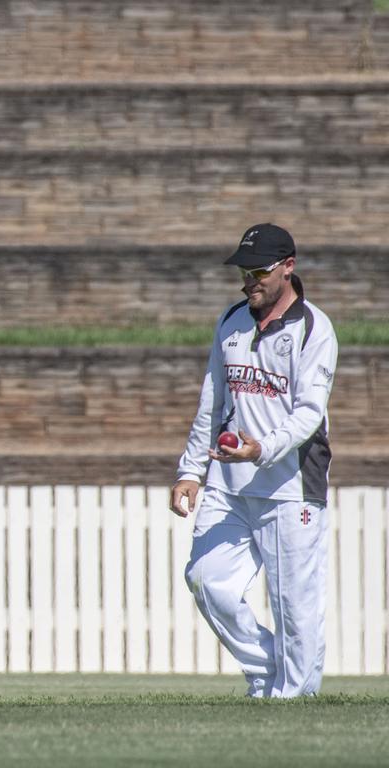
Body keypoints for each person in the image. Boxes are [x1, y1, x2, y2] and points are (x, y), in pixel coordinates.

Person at [169, 223, 338, 698]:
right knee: (206, 580)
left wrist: (262, 449)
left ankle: (294, 700)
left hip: (290, 486)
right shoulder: (231, 320)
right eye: (244, 272)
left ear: (288, 267)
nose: (249, 282)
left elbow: (308, 413)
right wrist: (189, 470)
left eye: (259, 271)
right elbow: (213, 399)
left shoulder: (314, 329)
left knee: (294, 607)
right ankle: (267, 670)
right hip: (229, 484)